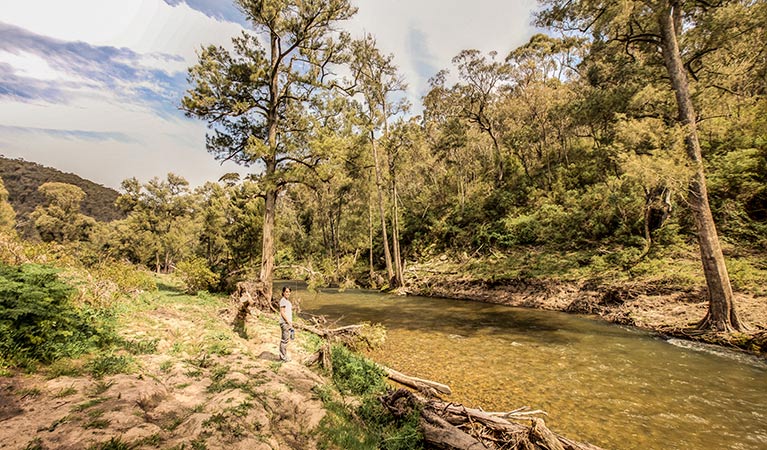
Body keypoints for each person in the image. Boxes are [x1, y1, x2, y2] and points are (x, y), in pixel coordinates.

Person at [278, 286, 294, 362]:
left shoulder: (286, 301)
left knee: (286, 339)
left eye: (289, 292)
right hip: (285, 323)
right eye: (286, 292)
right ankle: (283, 357)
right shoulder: (283, 301)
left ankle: (283, 355)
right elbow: (282, 312)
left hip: (287, 323)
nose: (288, 293)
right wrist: (288, 321)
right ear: (283, 292)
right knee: (284, 340)